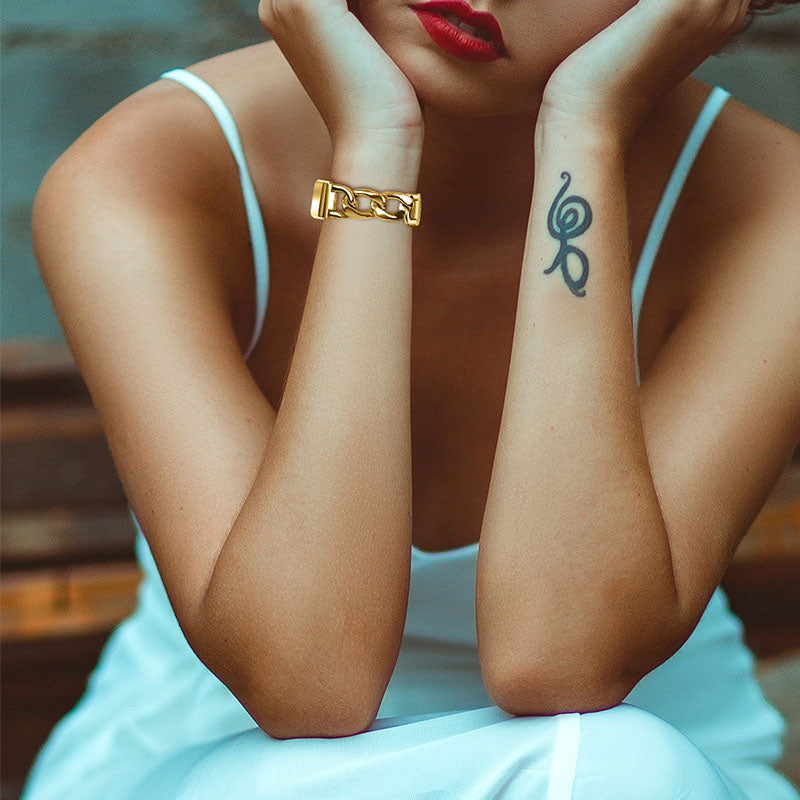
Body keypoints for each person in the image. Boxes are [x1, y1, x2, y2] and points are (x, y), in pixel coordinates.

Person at [20, 0, 800, 796]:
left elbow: (558, 663)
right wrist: (376, 146)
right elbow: (309, 682)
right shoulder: (150, 172)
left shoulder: (772, 207)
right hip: (233, 752)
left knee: (617, 765)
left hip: (637, 761)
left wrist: (583, 129)